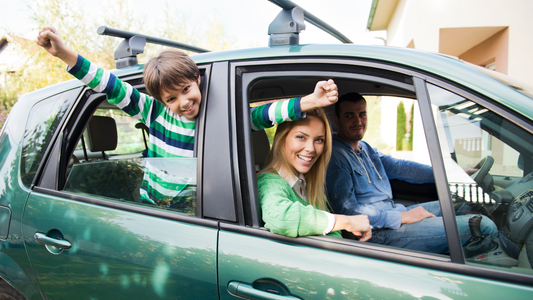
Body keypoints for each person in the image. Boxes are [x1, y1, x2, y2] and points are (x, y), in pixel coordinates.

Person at [36, 26, 338, 207]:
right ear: (159, 100)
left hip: (195, 208)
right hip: (157, 207)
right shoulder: (152, 112)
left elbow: (264, 114)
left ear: (198, 80)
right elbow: (107, 83)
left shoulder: (221, 119)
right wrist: (64, 54)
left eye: (186, 90)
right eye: (171, 98)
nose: (183, 102)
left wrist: (309, 101)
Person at [325, 92, 498, 253]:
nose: (358, 121)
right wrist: (401, 217)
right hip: (378, 234)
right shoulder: (336, 157)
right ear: (337, 120)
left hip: (393, 214)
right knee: (483, 226)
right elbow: (348, 210)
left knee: (466, 202)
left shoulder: (366, 149)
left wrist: (449, 174)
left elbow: (402, 168)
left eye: (362, 114)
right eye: (349, 116)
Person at [257, 108, 372, 239]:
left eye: (319, 140)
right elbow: (281, 218)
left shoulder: (307, 183)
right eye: (301, 137)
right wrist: (346, 221)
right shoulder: (269, 181)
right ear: (282, 138)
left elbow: (333, 233)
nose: (311, 149)